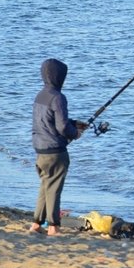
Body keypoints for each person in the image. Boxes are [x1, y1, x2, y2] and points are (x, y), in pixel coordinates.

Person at [30, 58, 88, 236]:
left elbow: (48, 121)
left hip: (40, 149)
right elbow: (62, 127)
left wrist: (74, 123)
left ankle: (36, 224)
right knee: (54, 188)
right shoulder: (58, 97)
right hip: (55, 151)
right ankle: (53, 227)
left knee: (45, 185)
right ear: (59, 76)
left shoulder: (40, 95)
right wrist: (75, 133)